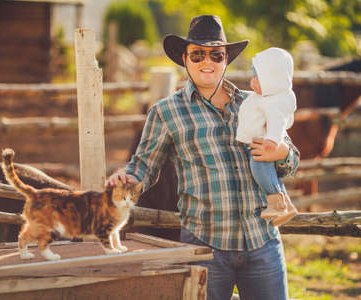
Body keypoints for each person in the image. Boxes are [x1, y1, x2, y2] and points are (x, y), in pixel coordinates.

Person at [107, 15, 300, 300]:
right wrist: (126, 180)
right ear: (185, 59)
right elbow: (143, 167)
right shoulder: (166, 112)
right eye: (197, 55)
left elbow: (291, 161)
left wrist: (282, 153)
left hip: (263, 241)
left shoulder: (255, 103)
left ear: (226, 60)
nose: (206, 62)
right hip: (206, 245)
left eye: (215, 54)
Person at [236, 47, 298, 226]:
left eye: (258, 78)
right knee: (263, 170)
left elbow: (277, 120)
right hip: (257, 144)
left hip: (262, 145)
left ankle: (276, 202)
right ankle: (285, 203)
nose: (252, 82)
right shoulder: (258, 99)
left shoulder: (272, 102)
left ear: (273, 81)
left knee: (259, 168)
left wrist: (276, 144)